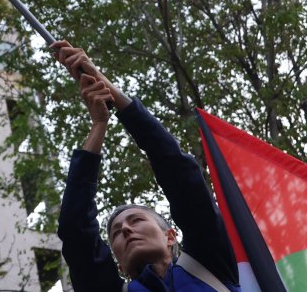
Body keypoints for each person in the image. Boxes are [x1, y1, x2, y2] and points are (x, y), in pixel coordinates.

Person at [52, 40, 241, 292]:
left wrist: (107, 87)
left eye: (137, 220)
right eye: (116, 233)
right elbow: (75, 230)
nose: (125, 229)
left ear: (170, 236)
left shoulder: (210, 267)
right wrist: (98, 124)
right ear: (119, 264)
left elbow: (179, 173)